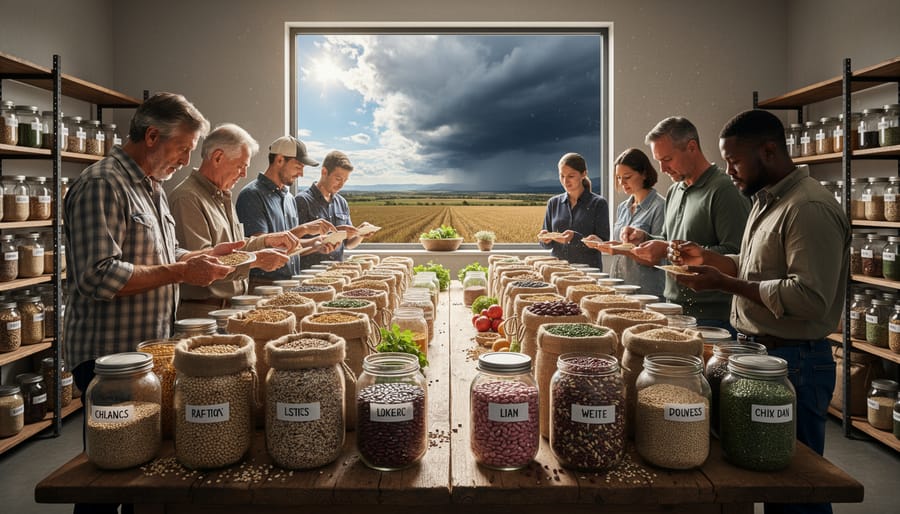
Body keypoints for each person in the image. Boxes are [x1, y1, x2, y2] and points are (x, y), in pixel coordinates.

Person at [64, 92, 237, 514]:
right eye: (182, 149)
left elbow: (163, 258)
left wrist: (199, 258)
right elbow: (97, 275)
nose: (184, 160)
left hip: (147, 354)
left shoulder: (152, 188)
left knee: (140, 462)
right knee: (109, 471)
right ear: (153, 136)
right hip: (107, 361)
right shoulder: (103, 184)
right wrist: (181, 272)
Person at [671, 109, 848, 514]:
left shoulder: (809, 208)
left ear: (768, 151)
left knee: (796, 489)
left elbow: (809, 297)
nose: (729, 170)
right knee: (756, 473)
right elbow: (752, 269)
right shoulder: (766, 201)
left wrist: (724, 284)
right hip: (757, 357)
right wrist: (713, 260)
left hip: (795, 363)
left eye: (733, 160)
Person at [169, 123, 310, 319]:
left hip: (230, 307)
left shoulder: (221, 196)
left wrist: (267, 241)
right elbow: (203, 265)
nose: (244, 174)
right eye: (241, 166)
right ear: (218, 157)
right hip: (204, 312)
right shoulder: (188, 198)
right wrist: (258, 259)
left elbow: (236, 249)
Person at [625, 116, 750, 333]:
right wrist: (645, 239)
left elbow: (740, 255)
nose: (662, 168)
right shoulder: (675, 190)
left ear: (691, 147)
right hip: (673, 310)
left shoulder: (724, 190)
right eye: (658, 161)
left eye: (667, 159)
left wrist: (666, 249)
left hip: (713, 318)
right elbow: (668, 240)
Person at [235, 135, 338, 287]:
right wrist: (304, 229)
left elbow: (289, 246)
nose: (301, 174)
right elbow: (260, 245)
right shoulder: (251, 195)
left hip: (290, 284)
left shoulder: (289, 198)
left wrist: (315, 244)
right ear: (279, 160)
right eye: (298, 167)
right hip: (263, 286)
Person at [585, 148, 666, 297]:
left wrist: (619, 250)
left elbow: (659, 258)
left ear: (644, 174)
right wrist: (600, 243)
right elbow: (620, 244)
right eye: (618, 177)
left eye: (627, 177)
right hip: (619, 287)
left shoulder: (660, 207)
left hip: (646, 291)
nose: (622, 182)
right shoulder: (623, 207)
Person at [295, 150, 376, 268]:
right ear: (324, 172)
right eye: (338, 179)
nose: (341, 185)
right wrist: (318, 246)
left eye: (345, 180)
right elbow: (293, 245)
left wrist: (360, 233)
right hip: (309, 274)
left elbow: (348, 244)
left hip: (337, 273)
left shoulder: (342, 202)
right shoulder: (302, 201)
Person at [538, 152, 610, 269]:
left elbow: (603, 243)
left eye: (571, 176)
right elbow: (546, 244)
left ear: (584, 174)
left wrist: (575, 238)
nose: (565, 181)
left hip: (589, 271)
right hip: (558, 271)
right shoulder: (553, 203)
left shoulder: (598, 203)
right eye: (562, 176)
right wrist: (544, 240)